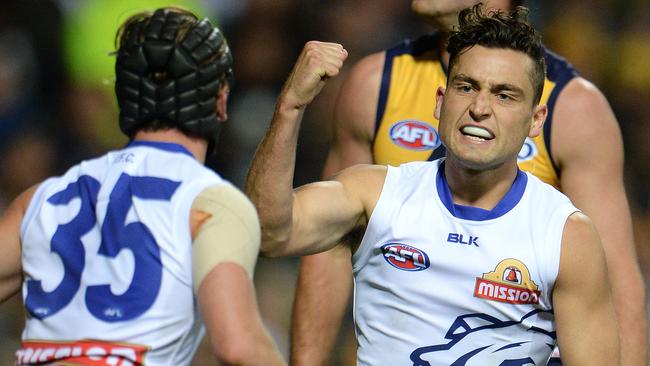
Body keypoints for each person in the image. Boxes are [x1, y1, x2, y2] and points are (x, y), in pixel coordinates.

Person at [246, 4, 619, 365]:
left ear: (536, 120)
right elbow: (268, 233)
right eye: (467, 87)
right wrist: (290, 107)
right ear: (440, 101)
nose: (480, 108)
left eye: (504, 95)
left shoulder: (566, 236)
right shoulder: (375, 194)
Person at [0, 7, 285, 366]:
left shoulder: (43, 199)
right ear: (221, 100)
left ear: (124, 96)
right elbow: (238, 346)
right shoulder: (212, 203)